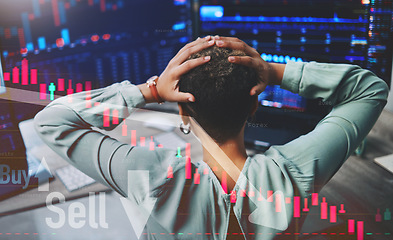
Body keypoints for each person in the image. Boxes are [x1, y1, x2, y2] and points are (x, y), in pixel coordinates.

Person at [34, 36, 389, 239]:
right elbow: (369, 89)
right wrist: (273, 71)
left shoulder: (148, 173)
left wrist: (152, 89)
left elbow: (52, 120)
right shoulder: (293, 173)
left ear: (183, 113)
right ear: (254, 107)